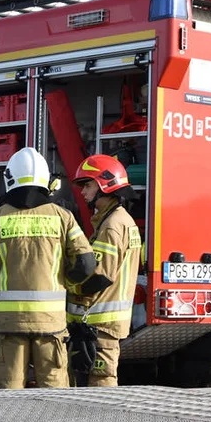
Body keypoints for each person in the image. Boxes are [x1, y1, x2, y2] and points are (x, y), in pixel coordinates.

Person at [0, 147, 96, 389]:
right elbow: (86, 263)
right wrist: (64, 282)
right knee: (54, 392)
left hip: (8, 323)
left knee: (8, 391)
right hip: (51, 322)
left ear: (10, 178)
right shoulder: (63, 217)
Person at [67, 154, 142, 387]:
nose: (83, 192)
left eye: (87, 185)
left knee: (101, 387)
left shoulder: (112, 226)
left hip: (100, 327)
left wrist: (69, 288)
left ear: (104, 185)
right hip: (101, 326)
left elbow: (99, 277)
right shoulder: (117, 220)